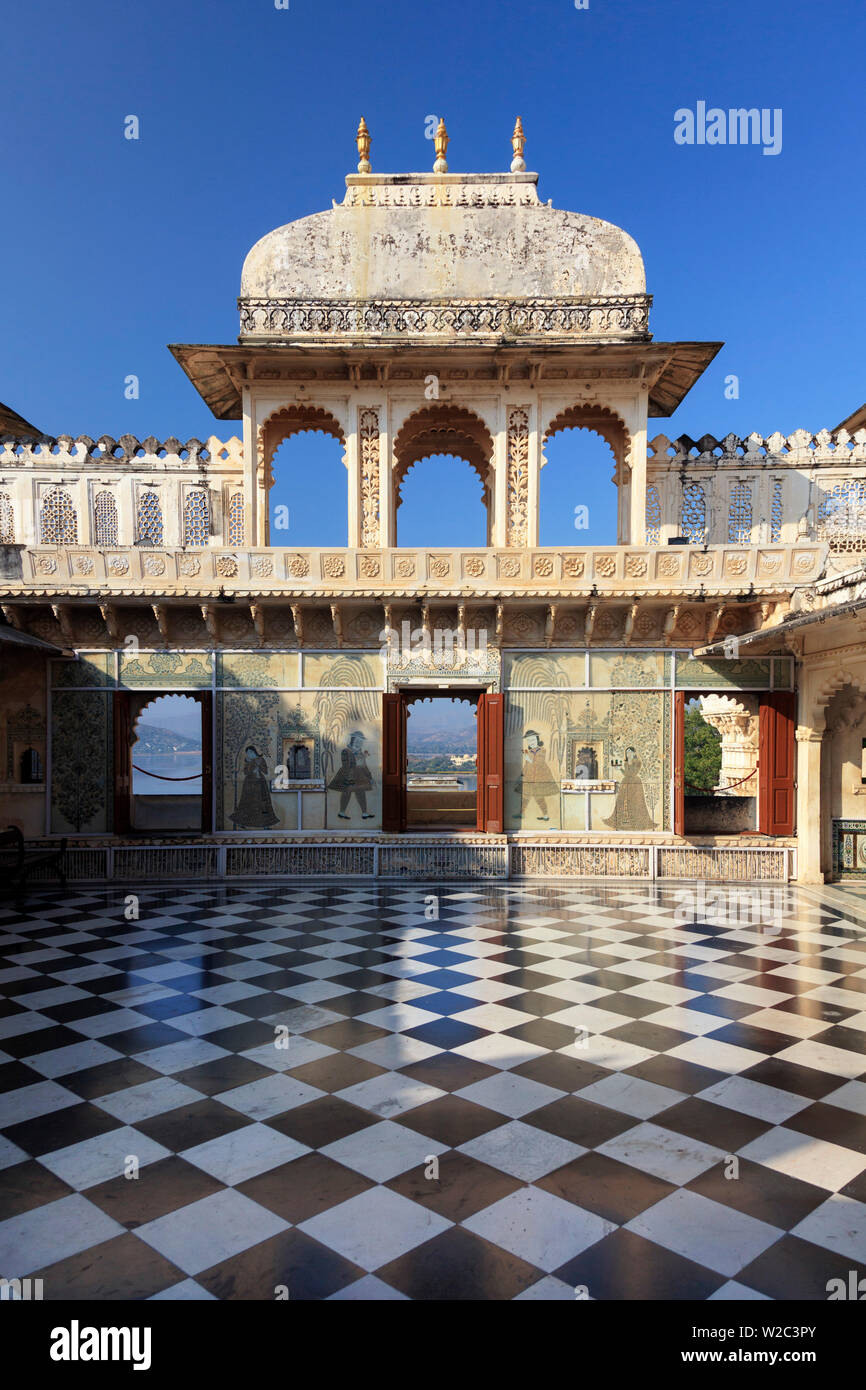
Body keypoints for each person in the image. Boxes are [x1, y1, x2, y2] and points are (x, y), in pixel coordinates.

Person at [604, 745, 653, 830]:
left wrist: (620, 769)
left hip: (634, 783)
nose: (628, 754)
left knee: (635, 801)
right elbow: (626, 773)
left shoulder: (637, 762)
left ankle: (635, 821)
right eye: (627, 752)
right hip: (626, 782)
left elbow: (632, 774)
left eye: (630, 752)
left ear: (634, 753)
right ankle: (624, 820)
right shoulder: (626, 762)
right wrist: (620, 769)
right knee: (623, 800)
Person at [231, 745, 280, 828]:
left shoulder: (260, 759)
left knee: (263, 803)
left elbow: (265, 771)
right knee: (246, 803)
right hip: (249, 784)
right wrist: (250, 765)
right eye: (247, 753)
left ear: (254, 752)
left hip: (260, 784)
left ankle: (265, 825)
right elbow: (246, 772)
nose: (248, 754)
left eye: (250, 752)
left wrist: (259, 766)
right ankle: (242, 823)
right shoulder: (247, 760)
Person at [329, 730, 375, 819]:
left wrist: (370, 777)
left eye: (361, 742)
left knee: (361, 793)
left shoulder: (360, 753)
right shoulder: (346, 751)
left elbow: (364, 766)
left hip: (360, 776)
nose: (359, 743)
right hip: (349, 775)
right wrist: (348, 777)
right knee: (347, 792)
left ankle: (364, 813)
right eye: (357, 741)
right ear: (353, 740)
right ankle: (342, 812)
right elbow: (345, 765)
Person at [516, 729, 559, 821]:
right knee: (525, 797)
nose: (531, 742)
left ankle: (545, 815)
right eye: (529, 740)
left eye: (533, 740)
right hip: (530, 778)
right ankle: (521, 813)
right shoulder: (529, 752)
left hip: (540, 777)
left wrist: (528, 758)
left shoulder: (542, 751)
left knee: (539, 798)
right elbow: (527, 765)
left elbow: (539, 763)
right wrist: (522, 774)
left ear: (537, 740)